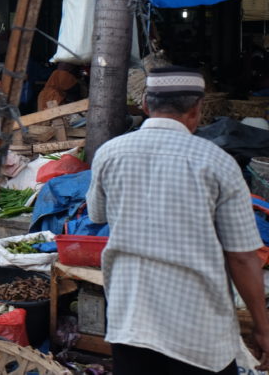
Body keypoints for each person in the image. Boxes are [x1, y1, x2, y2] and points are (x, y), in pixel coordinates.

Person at [88, 67, 269, 373]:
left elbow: (97, 214)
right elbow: (242, 258)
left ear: (146, 105)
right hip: (198, 333)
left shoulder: (109, 153)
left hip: (130, 320)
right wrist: (262, 327)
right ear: (196, 110)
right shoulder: (217, 162)